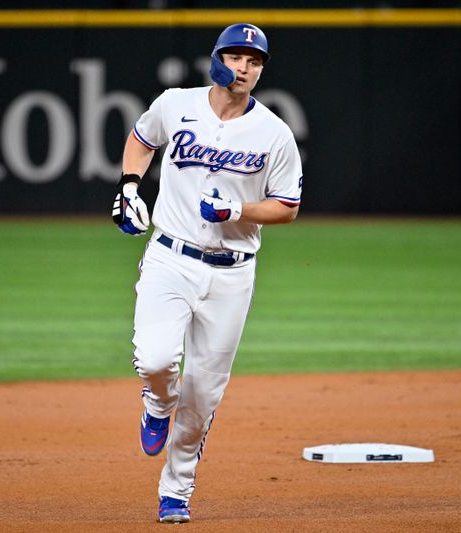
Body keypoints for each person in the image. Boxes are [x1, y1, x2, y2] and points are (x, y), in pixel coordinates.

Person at [111, 23, 303, 523]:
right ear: (216, 58)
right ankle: (157, 401)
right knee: (156, 360)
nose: (245, 68)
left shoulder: (274, 134)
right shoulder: (176, 103)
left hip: (232, 275)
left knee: (203, 397)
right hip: (170, 257)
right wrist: (131, 187)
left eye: (255, 61)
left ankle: (176, 490)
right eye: (236, 56)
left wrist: (237, 210)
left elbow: (287, 206)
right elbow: (140, 139)